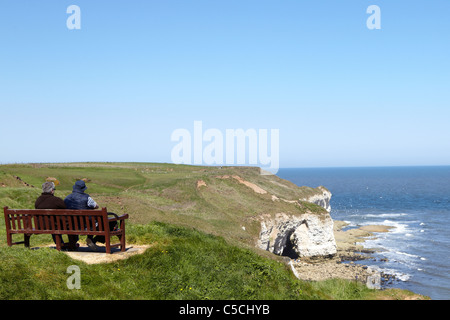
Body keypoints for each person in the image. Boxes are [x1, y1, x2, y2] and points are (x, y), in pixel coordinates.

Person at [35, 181, 78, 251]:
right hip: (56, 226)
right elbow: (65, 208)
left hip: (42, 226)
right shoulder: (57, 200)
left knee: (52, 224)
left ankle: (60, 243)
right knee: (69, 224)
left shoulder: (38, 200)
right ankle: (72, 244)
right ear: (52, 190)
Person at [64, 180, 101, 251]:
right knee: (96, 221)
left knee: (74, 221)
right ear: (83, 189)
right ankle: (90, 238)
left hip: (71, 225)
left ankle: (72, 243)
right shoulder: (87, 198)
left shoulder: (67, 198)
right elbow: (96, 206)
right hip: (87, 225)